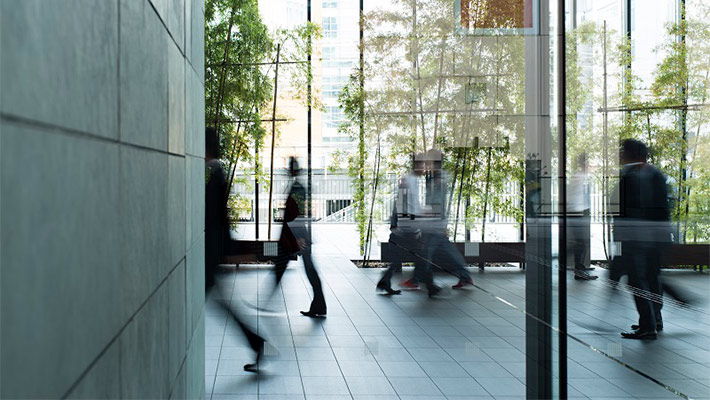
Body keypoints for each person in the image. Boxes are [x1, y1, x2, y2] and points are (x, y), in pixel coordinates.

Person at [204, 127, 266, 371]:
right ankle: (257, 343)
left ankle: (258, 343)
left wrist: (221, 252)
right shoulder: (216, 171)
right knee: (224, 306)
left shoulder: (217, 173)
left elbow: (216, 217)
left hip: (211, 251)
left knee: (222, 306)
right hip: (213, 251)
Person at [614, 139, 671, 340]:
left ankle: (648, 326)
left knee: (637, 281)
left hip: (636, 240)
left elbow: (623, 213)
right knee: (652, 279)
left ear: (631, 154)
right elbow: (663, 209)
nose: (620, 155)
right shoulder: (655, 174)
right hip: (654, 239)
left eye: (623, 152)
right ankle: (655, 319)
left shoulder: (630, 176)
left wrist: (620, 242)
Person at [274, 157, 327, 317]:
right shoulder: (298, 185)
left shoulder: (297, 187)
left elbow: (298, 213)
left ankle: (319, 305)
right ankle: (319, 305)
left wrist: (299, 237)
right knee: (304, 268)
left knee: (308, 269)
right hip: (296, 234)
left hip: (298, 235)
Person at [568, 153, 597, 280]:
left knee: (580, 242)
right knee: (580, 243)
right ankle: (579, 270)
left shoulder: (578, 176)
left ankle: (579, 269)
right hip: (577, 213)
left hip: (578, 212)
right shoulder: (579, 176)